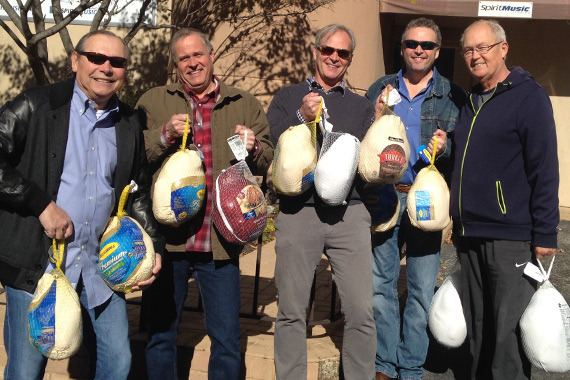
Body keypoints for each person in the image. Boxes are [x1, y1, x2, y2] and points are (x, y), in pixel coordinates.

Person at [0, 30, 164, 380]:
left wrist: (154, 246)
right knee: (27, 370)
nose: (106, 68)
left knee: (118, 360)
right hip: (38, 266)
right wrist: (40, 203)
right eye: (96, 58)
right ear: (75, 61)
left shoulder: (128, 123)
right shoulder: (36, 106)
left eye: (117, 62)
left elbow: (136, 192)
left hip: (101, 264)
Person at [136, 28, 273, 380]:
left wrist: (254, 146)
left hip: (220, 242)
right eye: (184, 58)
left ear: (211, 56)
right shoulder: (153, 101)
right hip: (170, 241)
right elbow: (135, 155)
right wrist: (163, 135)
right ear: (175, 64)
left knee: (226, 338)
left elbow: (267, 161)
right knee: (161, 335)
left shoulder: (242, 102)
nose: (192, 63)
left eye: (198, 55)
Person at [450, 19, 559, 380]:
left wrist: (545, 234)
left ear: (503, 48)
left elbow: (544, 166)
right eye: (468, 49)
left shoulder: (529, 96)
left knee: (507, 337)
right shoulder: (472, 99)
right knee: (479, 330)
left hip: (510, 237)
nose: (475, 55)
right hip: (470, 234)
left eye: (483, 47)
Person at [267, 24, 376, 380]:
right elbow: (272, 143)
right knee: (292, 312)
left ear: (350, 59)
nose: (333, 57)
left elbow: (368, 162)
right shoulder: (288, 97)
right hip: (299, 213)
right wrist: (301, 116)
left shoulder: (361, 107)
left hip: (351, 214)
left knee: (361, 311)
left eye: (342, 53)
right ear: (315, 51)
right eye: (327, 50)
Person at [365, 18, 466, 380]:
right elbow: (364, 145)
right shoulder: (381, 87)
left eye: (426, 45)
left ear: (438, 51)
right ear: (402, 48)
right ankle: (384, 363)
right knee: (381, 286)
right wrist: (375, 117)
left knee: (422, 289)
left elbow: (463, 147)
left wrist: (446, 145)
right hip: (386, 198)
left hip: (425, 201)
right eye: (411, 44)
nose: (418, 50)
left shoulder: (452, 95)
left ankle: (410, 366)